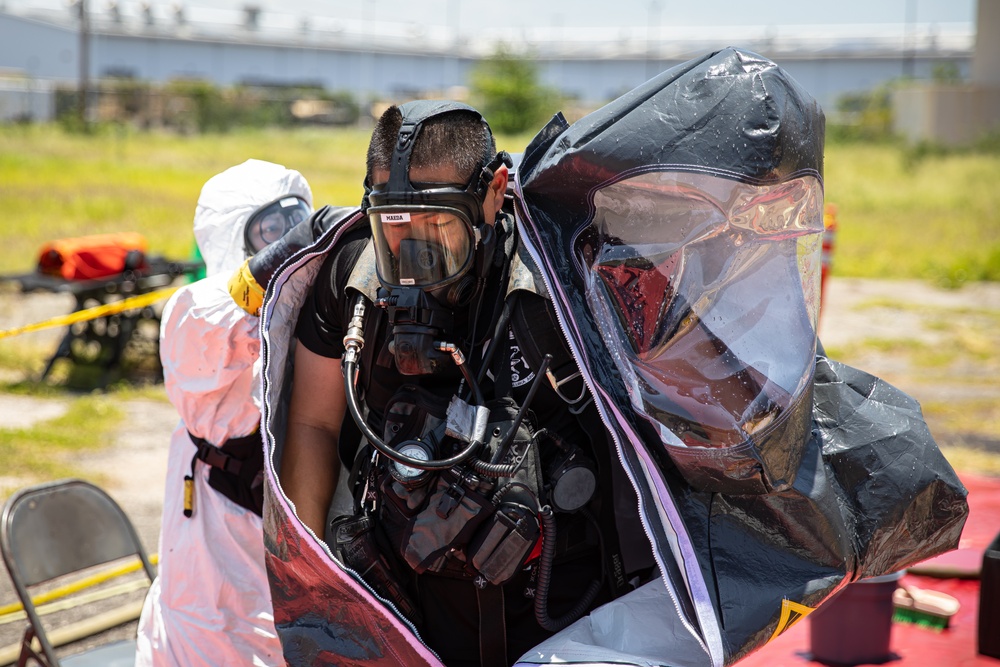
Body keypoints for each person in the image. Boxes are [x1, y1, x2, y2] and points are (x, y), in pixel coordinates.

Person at [280, 101, 647, 667]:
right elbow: (312, 423)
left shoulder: (565, 287)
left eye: (435, 226)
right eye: (393, 228)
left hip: (560, 617)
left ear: (494, 192)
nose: (411, 260)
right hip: (404, 606)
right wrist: (314, 586)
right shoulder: (350, 282)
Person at [135, 158, 313, 666]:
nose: (288, 236)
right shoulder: (195, 318)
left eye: (296, 218)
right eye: (272, 229)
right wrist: (305, 241)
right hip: (212, 541)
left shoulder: (294, 308)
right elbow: (223, 310)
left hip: (275, 532)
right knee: (217, 637)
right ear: (234, 238)